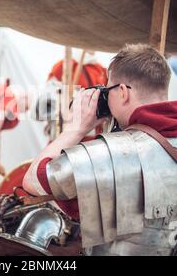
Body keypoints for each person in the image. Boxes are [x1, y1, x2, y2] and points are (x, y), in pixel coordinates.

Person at [23, 44, 177, 256]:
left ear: (122, 92)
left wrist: (74, 129)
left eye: (108, 90)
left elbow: (34, 181)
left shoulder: (109, 156)